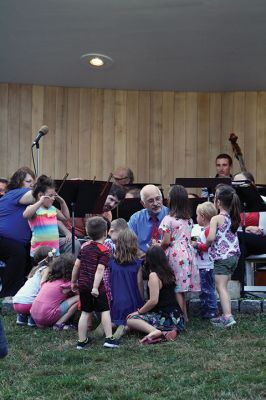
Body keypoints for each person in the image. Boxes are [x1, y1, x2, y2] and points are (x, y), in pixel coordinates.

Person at [71, 216, 119, 349]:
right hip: (97, 287)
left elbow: (76, 266)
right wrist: (96, 287)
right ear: (105, 232)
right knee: (105, 311)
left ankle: (81, 341)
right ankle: (109, 339)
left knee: (85, 312)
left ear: (87, 232)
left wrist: (73, 281)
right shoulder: (104, 250)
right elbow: (100, 269)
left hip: (83, 285)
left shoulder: (84, 248)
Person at [159, 185, 200, 322]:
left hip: (176, 254)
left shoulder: (168, 219)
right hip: (188, 253)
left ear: (172, 200)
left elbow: (166, 241)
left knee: (176, 287)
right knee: (182, 288)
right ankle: (186, 316)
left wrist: (156, 246)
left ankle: (182, 318)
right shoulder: (189, 219)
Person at [127, 246, 185, 344]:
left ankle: (154, 331)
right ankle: (165, 333)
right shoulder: (169, 272)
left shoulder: (154, 275)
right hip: (178, 318)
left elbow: (153, 301)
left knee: (130, 320)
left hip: (165, 317)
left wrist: (139, 312)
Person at [206, 184, 241, 328]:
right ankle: (225, 315)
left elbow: (211, 237)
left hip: (222, 258)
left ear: (218, 202)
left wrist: (206, 244)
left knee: (221, 287)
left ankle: (227, 317)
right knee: (224, 286)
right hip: (233, 257)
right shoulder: (233, 217)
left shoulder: (216, 218)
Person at [0, 166, 36, 297]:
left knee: (29, 253)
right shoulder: (17, 193)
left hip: (17, 242)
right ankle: (8, 295)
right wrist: (45, 188)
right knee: (17, 252)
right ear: (19, 182)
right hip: (2, 239)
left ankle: (23, 293)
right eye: (28, 181)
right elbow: (34, 196)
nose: (31, 185)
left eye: (33, 182)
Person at [232, 171, 266, 286]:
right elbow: (232, 226)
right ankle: (238, 287)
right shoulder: (235, 205)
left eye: (241, 184)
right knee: (240, 249)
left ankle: (234, 285)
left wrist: (259, 229)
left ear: (252, 184)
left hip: (262, 240)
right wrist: (246, 229)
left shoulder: (264, 201)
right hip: (244, 240)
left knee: (234, 237)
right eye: (235, 185)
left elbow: (263, 229)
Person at [23, 175, 70, 256]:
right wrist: (40, 202)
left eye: (54, 195)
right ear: (41, 195)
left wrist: (62, 202)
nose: (53, 198)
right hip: (39, 252)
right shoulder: (34, 209)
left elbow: (66, 218)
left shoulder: (53, 209)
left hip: (54, 251)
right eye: (50, 196)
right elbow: (25, 215)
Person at [110, 229, 144, 339]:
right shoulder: (138, 264)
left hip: (115, 303)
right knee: (130, 321)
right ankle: (123, 328)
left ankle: (109, 326)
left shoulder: (111, 262)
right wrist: (142, 301)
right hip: (132, 304)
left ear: (118, 243)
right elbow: (139, 284)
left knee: (114, 320)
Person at [30, 254, 79, 329]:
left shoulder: (49, 282)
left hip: (35, 316)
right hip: (46, 317)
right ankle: (58, 324)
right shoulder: (66, 284)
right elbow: (80, 292)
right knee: (80, 297)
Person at [13, 246, 55, 327]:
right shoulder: (46, 269)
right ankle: (33, 318)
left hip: (17, 302)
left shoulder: (35, 269)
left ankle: (22, 317)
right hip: (28, 305)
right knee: (43, 297)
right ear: (50, 258)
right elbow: (43, 284)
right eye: (54, 256)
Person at [192, 202, 218, 319]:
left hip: (206, 266)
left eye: (197, 215)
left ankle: (212, 311)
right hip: (204, 265)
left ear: (202, 216)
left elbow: (207, 246)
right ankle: (205, 310)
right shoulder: (206, 230)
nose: (196, 218)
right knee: (204, 290)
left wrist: (196, 245)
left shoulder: (208, 231)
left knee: (207, 290)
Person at [128, 185, 168, 253]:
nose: (155, 203)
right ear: (143, 203)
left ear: (162, 199)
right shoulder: (135, 219)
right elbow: (129, 243)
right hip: (142, 258)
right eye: (150, 201)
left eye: (158, 199)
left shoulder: (171, 215)